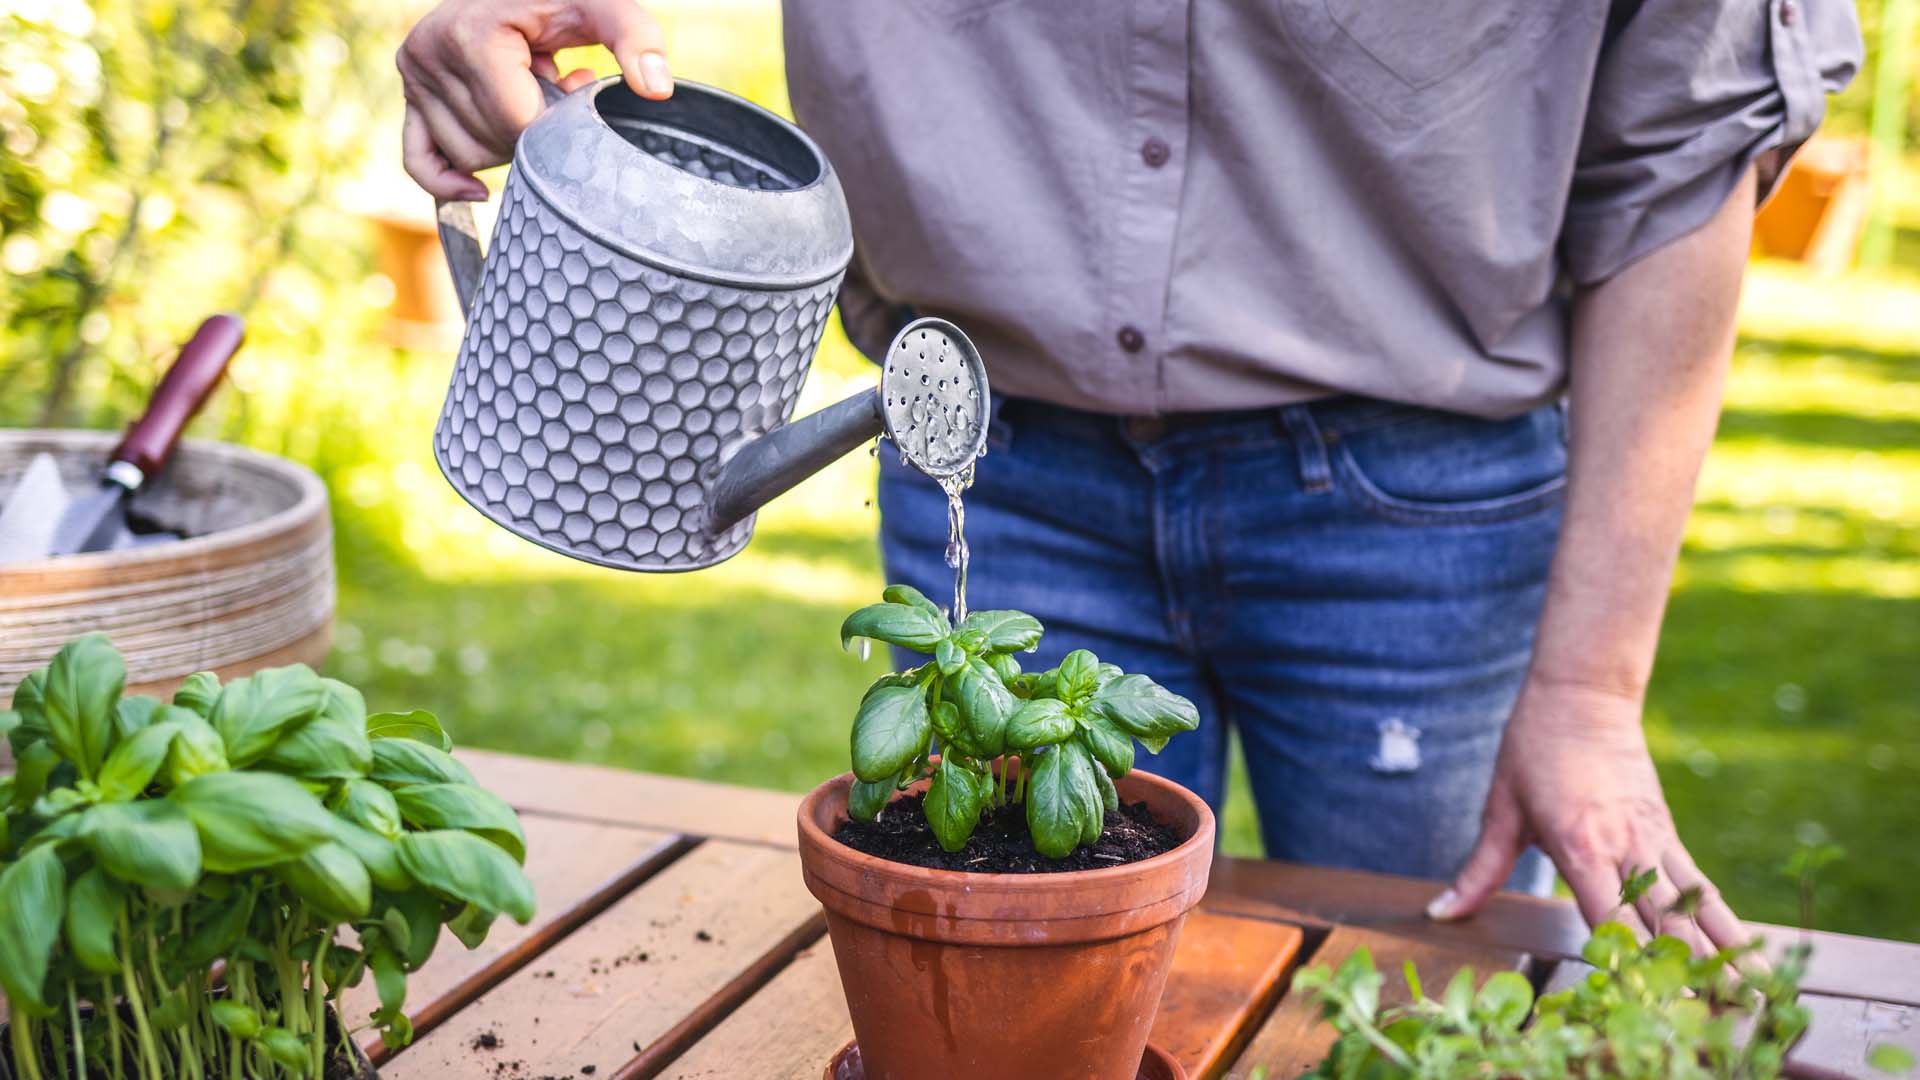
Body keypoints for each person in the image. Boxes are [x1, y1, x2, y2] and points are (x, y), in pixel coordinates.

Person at [397, 0, 1861, 951]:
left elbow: (1686, 135)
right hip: (992, 449)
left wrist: (1593, 692)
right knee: (1017, 1006)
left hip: (1414, 507)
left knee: (1439, 1000)